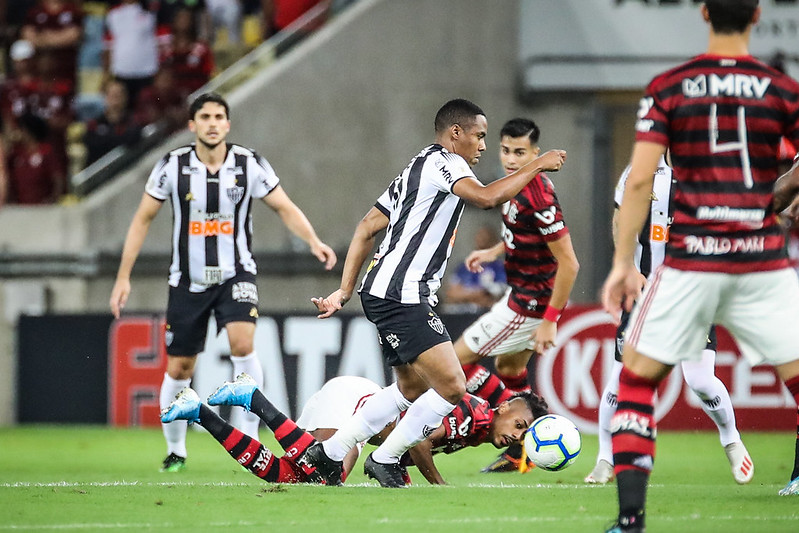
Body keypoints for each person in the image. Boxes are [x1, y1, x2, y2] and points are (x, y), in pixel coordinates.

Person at [601, 2, 799, 531]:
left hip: (691, 263)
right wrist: (784, 195)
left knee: (636, 383)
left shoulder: (669, 87)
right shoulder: (782, 90)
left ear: (705, 13)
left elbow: (639, 182)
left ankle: (630, 519)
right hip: (760, 259)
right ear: (757, 16)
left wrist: (622, 263)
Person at [308, 98, 566, 488]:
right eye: (479, 136)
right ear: (455, 133)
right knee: (453, 386)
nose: (483, 146)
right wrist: (537, 164)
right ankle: (385, 458)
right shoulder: (446, 162)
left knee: (410, 389)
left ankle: (329, 452)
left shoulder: (417, 167)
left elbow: (366, 226)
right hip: (402, 293)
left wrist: (345, 291)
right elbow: (487, 198)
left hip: (386, 291)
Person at [109, 92, 337, 473]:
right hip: (188, 280)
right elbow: (142, 218)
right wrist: (122, 277)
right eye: (205, 117)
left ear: (228, 124)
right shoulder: (173, 166)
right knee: (180, 368)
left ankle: (247, 432)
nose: (212, 123)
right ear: (192, 125)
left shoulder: (249, 164)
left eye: (219, 117)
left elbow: (283, 206)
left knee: (242, 344)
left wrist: (313, 241)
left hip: (236, 273)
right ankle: (176, 450)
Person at [585, 155, 752, 486]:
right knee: (620, 380)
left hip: (693, 293)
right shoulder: (641, 168)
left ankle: (731, 439)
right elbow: (620, 218)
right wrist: (627, 266)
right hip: (642, 291)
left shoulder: (710, 170)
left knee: (700, 380)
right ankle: (605, 458)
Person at [450, 118, 579, 474]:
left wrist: (550, 321)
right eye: (506, 150)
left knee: (453, 365)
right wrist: (493, 252)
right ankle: (528, 443)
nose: (510, 158)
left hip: (528, 304)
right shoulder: (514, 185)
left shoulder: (539, 196)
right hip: (521, 294)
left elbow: (569, 263)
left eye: (520, 152)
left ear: (536, 153)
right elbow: (521, 236)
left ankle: (515, 429)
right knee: (510, 369)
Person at [159, 371, 548, 485]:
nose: (516, 436)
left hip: (360, 414)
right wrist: (438, 485)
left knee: (292, 476)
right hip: (357, 403)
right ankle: (252, 396)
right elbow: (418, 441)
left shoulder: (480, 427)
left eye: (523, 435)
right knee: (322, 474)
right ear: (505, 406)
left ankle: (198, 411)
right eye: (519, 424)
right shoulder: (475, 417)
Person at [443, 225, 506, 313]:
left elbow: (498, 293)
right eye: (480, 237)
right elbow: (451, 293)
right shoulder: (464, 267)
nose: (482, 240)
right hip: (462, 312)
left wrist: (469, 295)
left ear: (494, 242)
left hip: (487, 311)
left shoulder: (500, 267)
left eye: (486, 238)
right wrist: (473, 295)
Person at [84, 78, 143, 166]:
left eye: (118, 96)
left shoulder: (133, 121)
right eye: (112, 96)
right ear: (105, 98)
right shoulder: (94, 124)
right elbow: (92, 144)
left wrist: (108, 136)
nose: (115, 100)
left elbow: (133, 138)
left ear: (125, 98)